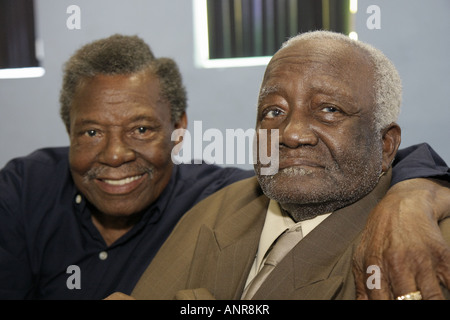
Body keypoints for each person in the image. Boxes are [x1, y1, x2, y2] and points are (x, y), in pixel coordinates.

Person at [0, 34, 448, 300]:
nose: (291, 133)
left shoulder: (211, 191)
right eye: (272, 111)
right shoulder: (26, 187)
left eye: (328, 109)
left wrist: (415, 192)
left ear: (178, 131)